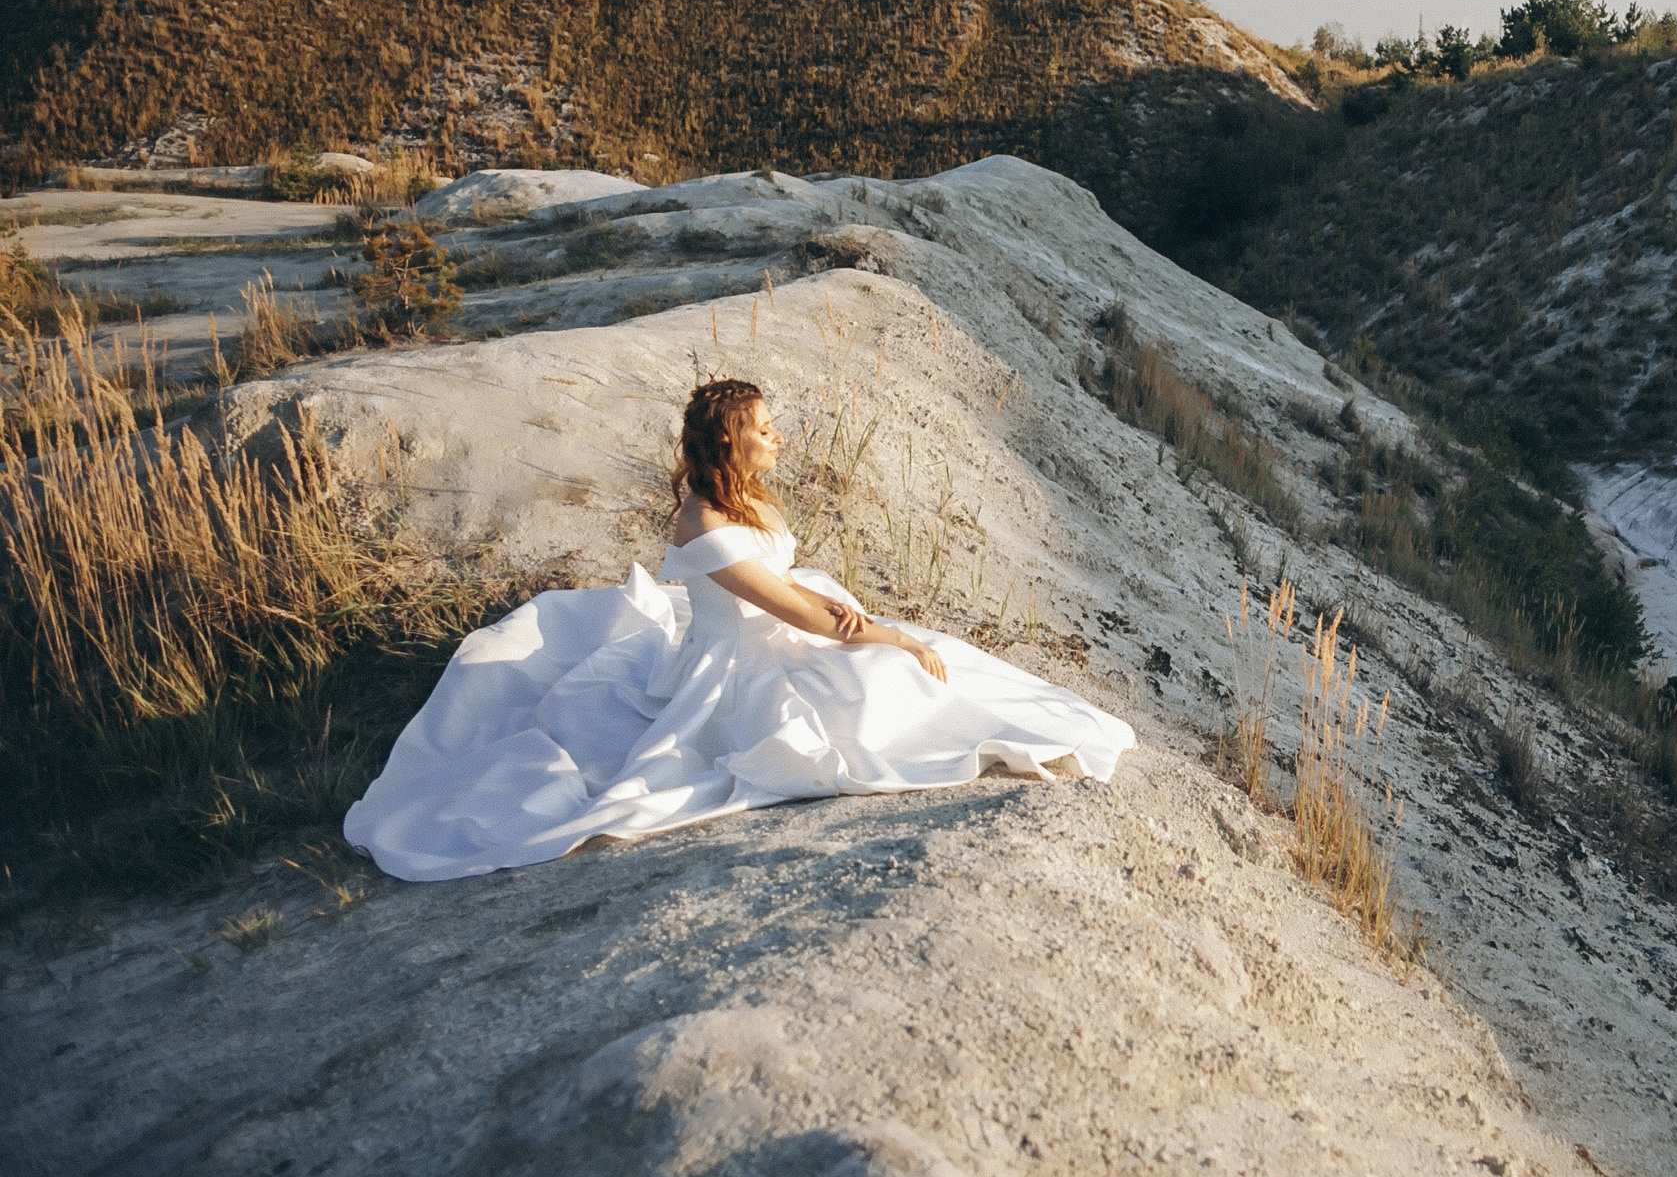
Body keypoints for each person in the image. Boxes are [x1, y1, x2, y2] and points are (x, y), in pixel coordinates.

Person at [344, 378, 1135, 881]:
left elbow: (793, 590)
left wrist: (881, 629)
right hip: (737, 662)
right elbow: (790, 610)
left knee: (929, 664)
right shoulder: (703, 519)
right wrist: (893, 636)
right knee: (888, 674)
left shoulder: (749, 495)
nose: (777, 436)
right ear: (731, 437)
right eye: (764, 426)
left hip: (783, 626)